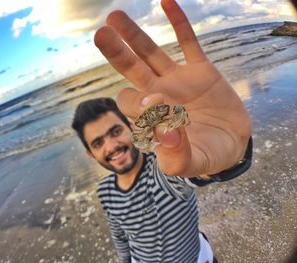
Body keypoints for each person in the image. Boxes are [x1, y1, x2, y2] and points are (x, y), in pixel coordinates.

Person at [72, 0, 252, 262]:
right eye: (97, 143)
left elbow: (191, 172)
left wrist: (230, 149)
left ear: (131, 126)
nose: (111, 146)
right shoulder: (105, 192)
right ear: (90, 154)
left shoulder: (162, 167)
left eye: (114, 132)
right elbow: (120, 236)